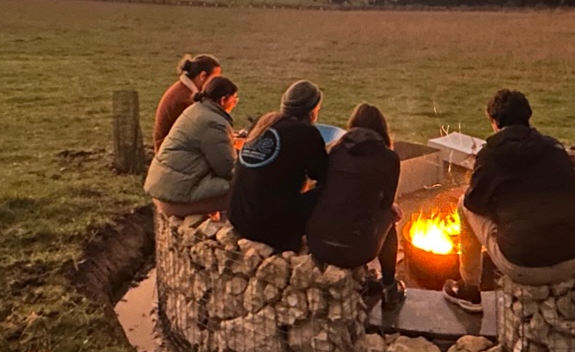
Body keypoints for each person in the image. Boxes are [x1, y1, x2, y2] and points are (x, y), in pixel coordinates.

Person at [444, 88, 575, 311]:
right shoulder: (556, 149)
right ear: (527, 117)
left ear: (495, 121)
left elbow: (475, 203)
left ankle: (469, 290)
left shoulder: (491, 154)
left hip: (522, 265)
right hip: (569, 261)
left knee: (463, 205)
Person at [304, 101, 405, 305]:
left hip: (318, 243)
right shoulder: (389, 158)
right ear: (382, 129)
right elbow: (385, 204)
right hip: (357, 250)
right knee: (390, 218)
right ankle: (389, 285)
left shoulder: (334, 150)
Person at [229, 79, 330, 254]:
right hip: (270, 228)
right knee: (331, 188)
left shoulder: (262, 122)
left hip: (238, 216)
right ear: (313, 110)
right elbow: (323, 175)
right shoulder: (305, 133)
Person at [143, 75, 240, 216]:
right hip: (177, 199)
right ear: (223, 100)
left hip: (166, 189)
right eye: (234, 99)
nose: (235, 103)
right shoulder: (214, 123)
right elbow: (227, 169)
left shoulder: (196, 110)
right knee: (243, 187)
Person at [153, 53, 221, 151]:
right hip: (170, 151)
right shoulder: (185, 99)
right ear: (202, 76)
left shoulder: (184, 89)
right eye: (214, 79)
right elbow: (198, 133)